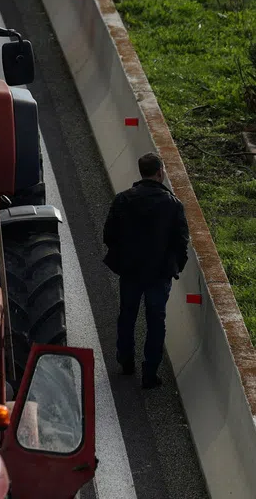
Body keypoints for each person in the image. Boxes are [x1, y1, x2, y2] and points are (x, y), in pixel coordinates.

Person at [103, 152, 190, 389]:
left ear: (141, 171)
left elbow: (109, 234)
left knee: (127, 315)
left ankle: (126, 360)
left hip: (130, 271)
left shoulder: (123, 199)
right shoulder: (173, 204)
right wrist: (174, 267)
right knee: (155, 321)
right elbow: (181, 242)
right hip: (159, 274)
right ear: (160, 171)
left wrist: (123, 258)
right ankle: (150, 373)